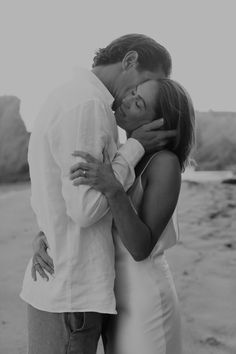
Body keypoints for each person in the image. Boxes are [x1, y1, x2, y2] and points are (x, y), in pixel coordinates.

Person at [20, 34, 176, 354]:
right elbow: (86, 209)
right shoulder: (89, 104)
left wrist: (46, 231)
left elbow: (57, 191)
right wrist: (135, 148)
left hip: (66, 285)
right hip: (73, 290)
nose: (135, 96)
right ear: (130, 61)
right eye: (142, 84)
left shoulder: (69, 96)